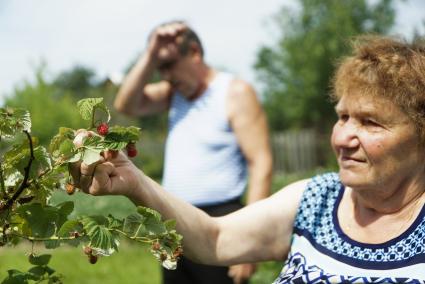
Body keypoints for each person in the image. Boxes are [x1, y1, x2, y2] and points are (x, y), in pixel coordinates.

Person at [71, 35, 425, 282]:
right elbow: (216, 238)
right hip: (188, 222)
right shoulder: (318, 199)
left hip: (224, 203)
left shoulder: (233, 91)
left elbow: (260, 161)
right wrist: (134, 181)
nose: (343, 137)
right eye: (342, 116)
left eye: (370, 122)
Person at [113, 21, 273, 284]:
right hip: (174, 220)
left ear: (195, 53)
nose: (165, 75)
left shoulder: (234, 92)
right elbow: (126, 103)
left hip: (221, 223)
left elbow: (261, 163)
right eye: (159, 67)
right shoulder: (174, 94)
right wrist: (151, 53)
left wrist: (250, 242)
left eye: (169, 64)